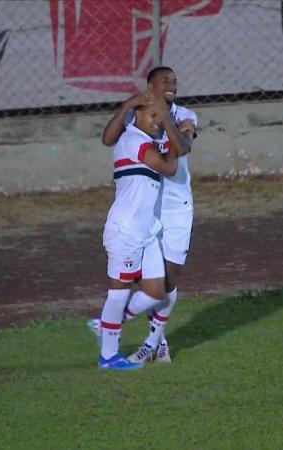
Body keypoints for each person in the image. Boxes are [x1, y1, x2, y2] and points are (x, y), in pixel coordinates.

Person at [90, 66, 197, 364]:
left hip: (175, 208)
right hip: (143, 212)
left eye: (175, 81)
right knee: (140, 284)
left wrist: (168, 118)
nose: (171, 85)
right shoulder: (137, 118)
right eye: (165, 81)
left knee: (167, 283)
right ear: (149, 86)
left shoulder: (185, 114)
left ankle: (147, 340)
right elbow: (108, 139)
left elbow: (182, 149)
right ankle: (147, 342)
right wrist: (128, 105)